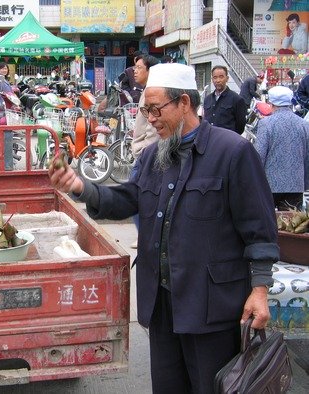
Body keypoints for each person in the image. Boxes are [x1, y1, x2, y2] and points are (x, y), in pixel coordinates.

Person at [48, 62, 278, 393]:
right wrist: (81, 187)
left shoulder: (232, 152)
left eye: (156, 110)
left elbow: (259, 228)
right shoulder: (154, 156)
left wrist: (260, 290)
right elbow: (128, 199)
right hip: (163, 306)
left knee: (211, 385)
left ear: (184, 103)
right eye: (146, 110)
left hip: (211, 306)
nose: (151, 119)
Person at [254, 85, 309, 211]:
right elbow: (307, 157)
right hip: (295, 184)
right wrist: (304, 183)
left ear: (271, 103)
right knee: (291, 226)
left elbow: (259, 156)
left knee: (268, 223)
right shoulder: (304, 124)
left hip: (269, 184)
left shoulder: (266, 124)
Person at [128, 54, 160, 248]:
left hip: (146, 153)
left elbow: (152, 128)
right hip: (144, 151)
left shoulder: (152, 94)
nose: (135, 70)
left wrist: (143, 151)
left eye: (139, 67)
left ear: (150, 71)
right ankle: (145, 235)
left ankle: (145, 236)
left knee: (134, 194)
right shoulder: (145, 91)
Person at [203, 65, 247, 134]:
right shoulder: (207, 99)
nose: (218, 80)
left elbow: (240, 126)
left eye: (221, 77)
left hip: (227, 141)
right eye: (215, 77)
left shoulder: (237, 99)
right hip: (210, 140)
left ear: (227, 78)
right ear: (212, 79)